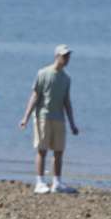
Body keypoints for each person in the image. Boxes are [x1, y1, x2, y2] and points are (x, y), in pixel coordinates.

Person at [18, 45, 80, 193]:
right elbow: (35, 96)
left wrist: (72, 123)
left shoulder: (66, 78)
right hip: (43, 116)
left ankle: (57, 182)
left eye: (68, 56)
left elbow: (67, 101)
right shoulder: (43, 73)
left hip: (59, 118)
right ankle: (39, 182)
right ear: (57, 56)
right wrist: (25, 117)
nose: (66, 59)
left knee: (59, 151)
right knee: (42, 150)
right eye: (64, 56)